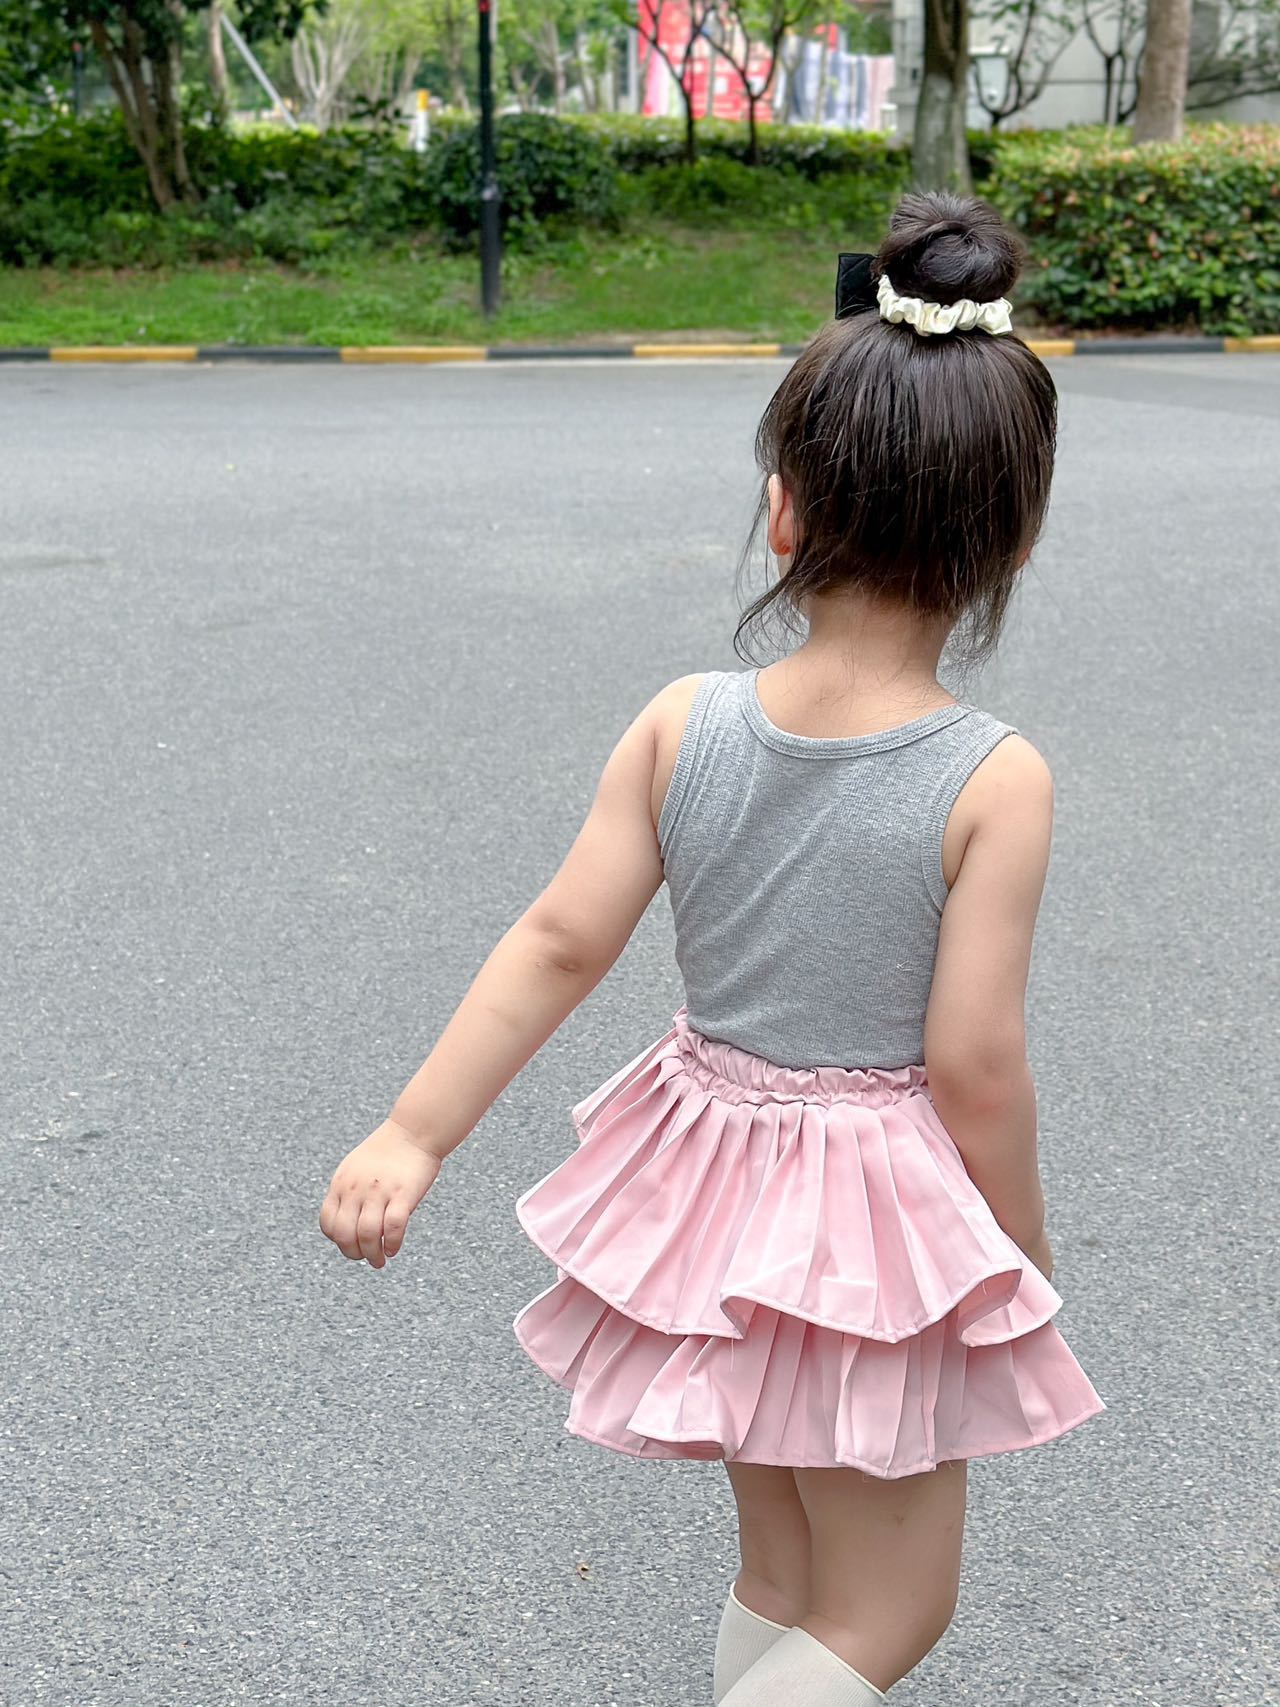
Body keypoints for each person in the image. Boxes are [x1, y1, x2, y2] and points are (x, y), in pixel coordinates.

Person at [319, 190, 1106, 1705]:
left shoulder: (686, 723)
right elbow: (974, 1062)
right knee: (888, 1611)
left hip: (719, 1199)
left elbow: (560, 941)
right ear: (1008, 539)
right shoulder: (992, 777)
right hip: (875, 1236)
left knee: (787, 1579)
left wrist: (414, 1133)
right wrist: (1016, 1246)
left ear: (785, 511)